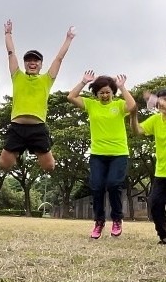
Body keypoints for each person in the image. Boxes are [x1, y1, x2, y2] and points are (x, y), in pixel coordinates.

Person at [0, 19, 75, 172]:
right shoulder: (17, 76)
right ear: (25, 63)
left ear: (41, 64)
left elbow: (59, 58)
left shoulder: (47, 79)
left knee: (49, 167)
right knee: (4, 165)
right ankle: (18, 152)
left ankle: (33, 150)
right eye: (29, 60)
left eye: (36, 60)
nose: (32, 63)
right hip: (17, 128)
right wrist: (8, 34)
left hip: (37, 128)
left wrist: (69, 38)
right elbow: (11, 54)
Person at [67, 70, 136, 239]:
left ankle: (117, 220)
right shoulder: (91, 105)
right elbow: (71, 97)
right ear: (96, 94)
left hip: (119, 153)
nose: (105, 95)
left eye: (108, 92)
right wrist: (83, 82)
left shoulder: (119, 105)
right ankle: (99, 222)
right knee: (97, 186)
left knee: (113, 185)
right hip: (97, 154)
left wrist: (122, 87)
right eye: (101, 93)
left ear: (113, 92)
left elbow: (132, 106)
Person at [130, 89, 166, 244]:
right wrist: (133, 114)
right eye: (160, 100)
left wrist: (155, 99)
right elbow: (138, 130)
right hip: (161, 172)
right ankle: (164, 235)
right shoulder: (156, 120)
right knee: (156, 204)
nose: (161, 103)